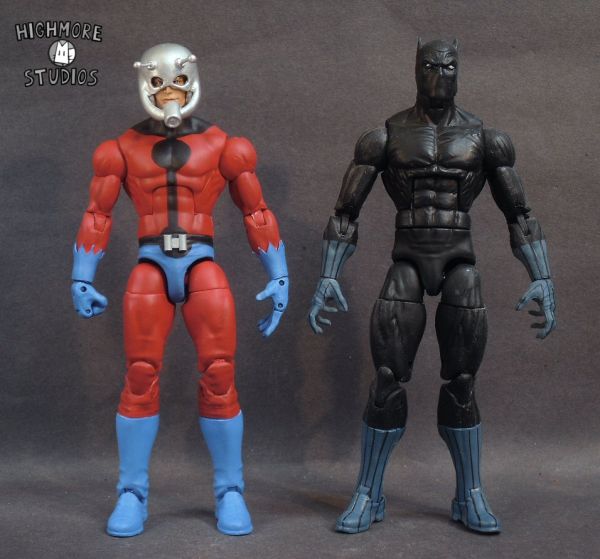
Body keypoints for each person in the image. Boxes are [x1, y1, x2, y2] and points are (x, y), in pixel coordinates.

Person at [308, 39, 556, 534]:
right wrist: (329, 274)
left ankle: (470, 494)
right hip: (408, 260)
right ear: (415, 70)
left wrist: (542, 277)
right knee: (385, 378)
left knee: (462, 382)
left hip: (460, 261)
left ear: (459, 71)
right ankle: (368, 493)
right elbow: (346, 210)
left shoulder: (485, 139)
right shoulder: (386, 136)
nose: (439, 74)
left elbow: (520, 214)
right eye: (430, 65)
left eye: (448, 65)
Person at [72, 43, 288, 537]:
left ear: (192, 80)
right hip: (150, 264)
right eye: (158, 84)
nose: (169, 93)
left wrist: (278, 273)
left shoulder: (225, 146)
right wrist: (81, 275)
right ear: (144, 84)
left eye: (178, 82)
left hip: (200, 263)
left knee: (220, 373)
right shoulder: (120, 149)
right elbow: (98, 213)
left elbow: (256, 211)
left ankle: (230, 490)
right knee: (140, 375)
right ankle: (131, 492)